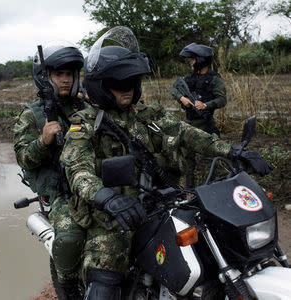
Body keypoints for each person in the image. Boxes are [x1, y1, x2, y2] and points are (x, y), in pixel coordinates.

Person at [59, 27, 272, 300]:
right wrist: (106, 197)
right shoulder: (83, 125)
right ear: (99, 85)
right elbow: (78, 170)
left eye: (133, 82)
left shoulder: (149, 115)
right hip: (112, 216)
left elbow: (188, 133)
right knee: (106, 274)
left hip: (158, 202)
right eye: (120, 83)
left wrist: (232, 151)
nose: (128, 89)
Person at [12, 42, 86, 299]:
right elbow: (23, 157)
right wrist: (42, 141)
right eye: (59, 74)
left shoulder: (84, 107)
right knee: (69, 239)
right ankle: (68, 290)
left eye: (70, 74)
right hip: (59, 192)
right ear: (46, 77)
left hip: (90, 182)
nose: (66, 80)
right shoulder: (32, 114)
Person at [171, 43, 228, 187]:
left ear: (201, 60)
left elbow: (222, 100)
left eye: (193, 59)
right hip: (188, 122)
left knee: (207, 161)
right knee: (187, 159)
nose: (191, 62)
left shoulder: (214, 79)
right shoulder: (189, 78)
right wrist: (182, 99)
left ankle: (207, 190)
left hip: (205, 124)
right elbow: (174, 89)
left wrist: (205, 105)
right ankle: (189, 190)